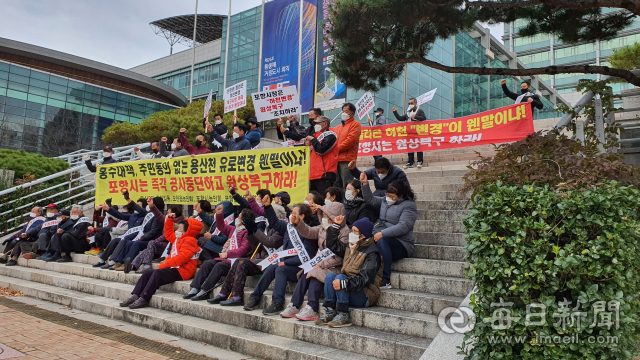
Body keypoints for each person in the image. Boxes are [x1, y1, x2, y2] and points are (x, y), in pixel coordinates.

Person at [243, 195, 319, 315]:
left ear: (302, 216)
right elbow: (274, 222)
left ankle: (277, 302)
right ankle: (255, 297)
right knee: (271, 267)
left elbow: (306, 257)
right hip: (286, 265)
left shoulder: (309, 232)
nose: (291, 216)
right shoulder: (289, 227)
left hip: (300, 269)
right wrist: (267, 206)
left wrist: (286, 262)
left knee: (280, 269)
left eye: (294, 213)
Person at [281, 201, 350, 321]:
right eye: (322, 215)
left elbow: (341, 256)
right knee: (305, 271)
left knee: (315, 273)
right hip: (323, 264)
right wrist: (299, 223)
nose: (323, 218)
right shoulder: (323, 228)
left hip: (337, 268)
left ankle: (312, 307)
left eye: (326, 216)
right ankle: (294, 304)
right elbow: (309, 232)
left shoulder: (345, 232)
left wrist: (320, 264)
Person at [119, 215, 202, 309]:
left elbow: (181, 259)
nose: (177, 230)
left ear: (187, 230)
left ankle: (144, 298)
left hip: (183, 270)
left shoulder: (190, 241)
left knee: (158, 274)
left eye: (180, 228)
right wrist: (170, 220)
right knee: (147, 274)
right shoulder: (180, 238)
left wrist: (164, 264)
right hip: (175, 267)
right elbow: (168, 234)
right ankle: (135, 295)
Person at [212, 203, 286, 306]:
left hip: (271, 262)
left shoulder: (281, 230)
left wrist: (255, 230)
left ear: (277, 217)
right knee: (239, 261)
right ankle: (224, 293)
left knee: (241, 262)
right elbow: (256, 245)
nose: (266, 217)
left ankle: (237, 296)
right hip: (260, 259)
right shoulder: (267, 228)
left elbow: (270, 242)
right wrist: (251, 232)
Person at [314, 217, 382, 328]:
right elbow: (333, 245)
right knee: (330, 276)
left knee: (340, 277)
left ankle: (343, 314)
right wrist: (335, 226)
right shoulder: (350, 247)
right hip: (349, 289)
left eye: (355, 231)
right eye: (352, 230)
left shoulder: (372, 254)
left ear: (363, 235)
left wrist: (343, 283)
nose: (351, 233)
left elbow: (365, 279)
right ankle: (330, 310)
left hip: (365, 294)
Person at [184, 207, 255, 301]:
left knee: (219, 266)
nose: (237, 218)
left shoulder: (248, 233)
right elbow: (221, 226)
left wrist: (227, 254)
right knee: (207, 263)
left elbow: (243, 250)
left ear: (243, 221)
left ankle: (205, 290)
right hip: (226, 258)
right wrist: (219, 215)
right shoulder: (234, 229)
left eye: (239, 217)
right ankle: (195, 288)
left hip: (235, 261)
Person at [360, 173, 417, 288]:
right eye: (388, 195)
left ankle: (386, 279)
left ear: (401, 196)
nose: (389, 198)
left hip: (401, 243)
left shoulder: (409, 206)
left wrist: (382, 233)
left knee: (381, 241)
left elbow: (403, 226)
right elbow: (369, 199)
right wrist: (365, 184)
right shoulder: (385, 201)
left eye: (392, 196)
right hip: (382, 234)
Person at [92, 197, 146, 269]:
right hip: (127, 235)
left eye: (139, 206)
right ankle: (102, 260)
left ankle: (113, 261)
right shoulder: (133, 215)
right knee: (114, 241)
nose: (136, 207)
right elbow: (120, 215)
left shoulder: (145, 217)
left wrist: (126, 237)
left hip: (136, 237)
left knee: (122, 241)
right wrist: (109, 209)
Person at [129, 204, 184, 274]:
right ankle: (133, 266)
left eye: (168, 212)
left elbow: (166, 236)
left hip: (169, 246)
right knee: (147, 249)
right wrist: (152, 206)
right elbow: (159, 215)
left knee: (151, 243)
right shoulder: (168, 219)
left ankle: (146, 265)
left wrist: (155, 241)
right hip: (163, 244)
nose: (167, 214)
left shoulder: (178, 224)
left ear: (174, 214)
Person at [118, 197, 166, 273]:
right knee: (128, 242)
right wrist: (128, 199)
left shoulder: (159, 217)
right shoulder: (149, 213)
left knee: (136, 243)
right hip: (146, 237)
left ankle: (130, 264)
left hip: (153, 240)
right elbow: (139, 209)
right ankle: (121, 262)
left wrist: (143, 237)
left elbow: (154, 231)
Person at [305, 115, 339, 195]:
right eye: (315, 123)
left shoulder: (331, 135)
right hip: (313, 175)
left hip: (325, 174)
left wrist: (313, 140)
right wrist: (307, 145)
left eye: (318, 123)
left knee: (324, 202)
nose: (315, 125)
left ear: (325, 124)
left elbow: (321, 150)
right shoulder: (315, 137)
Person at [332, 103, 361, 189]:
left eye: (346, 111)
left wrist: (336, 149)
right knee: (336, 186)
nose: (344, 113)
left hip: (347, 160)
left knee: (347, 185)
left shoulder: (355, 124)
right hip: (335, 160)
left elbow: (350, 140)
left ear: (352, 113)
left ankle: (348, 202)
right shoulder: (337, 128)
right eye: (343, 111)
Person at [392, 98, 426, 169]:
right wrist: (395, 112)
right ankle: (410, 162)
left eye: (412, 103)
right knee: (410, 147)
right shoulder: (408, 113)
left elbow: (424, 118)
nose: (410, 105)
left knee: (418, 146)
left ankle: (420, 161)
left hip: (416, 132)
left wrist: (416, 116)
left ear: (415, 104)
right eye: (409, 103)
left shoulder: (419, 111)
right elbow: (400, 118)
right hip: (409, 133)